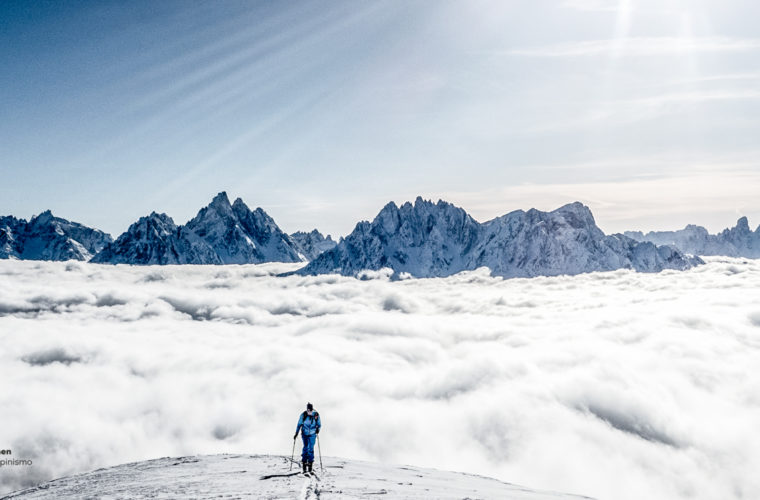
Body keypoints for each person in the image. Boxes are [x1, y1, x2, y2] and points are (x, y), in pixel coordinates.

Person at [293, 402, 321, 473]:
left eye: (310, 410)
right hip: (304, 434)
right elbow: (299, 424)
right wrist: (296, 433)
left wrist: (318, 429)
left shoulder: (316, 415)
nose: (309, 411)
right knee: (305, 447)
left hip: (312, 434)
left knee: (311, 448)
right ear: (307, 409)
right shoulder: (303, 415)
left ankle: (310, 463)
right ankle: (304, 463)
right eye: (308, 410)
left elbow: (319, 424)